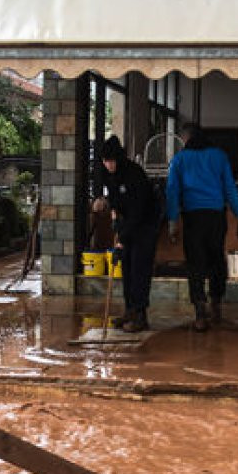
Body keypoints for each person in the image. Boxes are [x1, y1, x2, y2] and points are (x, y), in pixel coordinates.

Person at [165, 124, 238, 331]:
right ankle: (216, 303)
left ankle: (200, 312)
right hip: (216, 217)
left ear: (187, 138)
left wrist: (172, 220)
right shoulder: (218, 156)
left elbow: (172, 191)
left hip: (193, 217)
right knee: (216, 259)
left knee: (195, 263)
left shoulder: (180, 159)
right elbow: (229, 186)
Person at [101, 135, 159, 332]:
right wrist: (116, 220)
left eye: (111, 160)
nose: (108, 164)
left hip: (145, 224)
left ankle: (140, 316)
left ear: (118, 158)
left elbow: (138, 212)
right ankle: (129, 311)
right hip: (128, 223)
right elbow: (115, 202)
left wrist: (121, 241)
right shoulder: (110, 175)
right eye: (105, 161)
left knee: (139, 270)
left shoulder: (135, 174)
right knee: (126, 268)